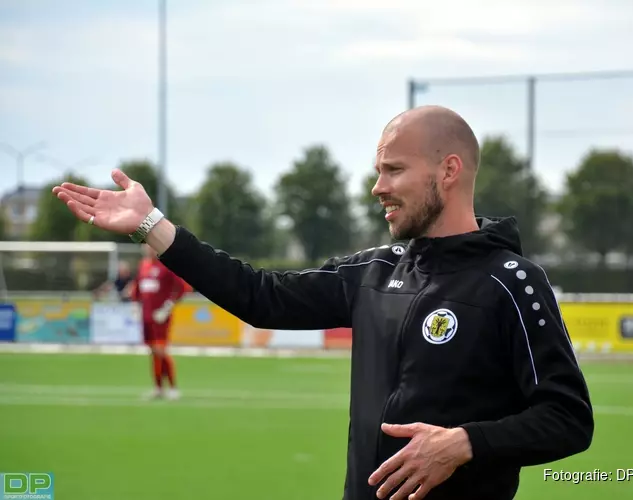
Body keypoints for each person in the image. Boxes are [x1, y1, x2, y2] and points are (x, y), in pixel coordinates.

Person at [52, 105, 594, 499]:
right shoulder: (372, 273)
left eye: (394, 170)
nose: (377, 186)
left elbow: (568, 418)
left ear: (448, 172)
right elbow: (261, 297)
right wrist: (154, 227)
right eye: (378, 169)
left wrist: (465, 444)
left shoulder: (510, 281)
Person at [131, 243, 190, 400]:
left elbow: (183, 287)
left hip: (160, 317)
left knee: (160, 350)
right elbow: (137, 287)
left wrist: (167, 307)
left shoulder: (166, 265)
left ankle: (172, 387)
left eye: (150, 246)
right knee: (152, 351)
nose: (147, 249)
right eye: (145, 247)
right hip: (146, 316)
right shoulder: (143, 265)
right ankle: (158, 388)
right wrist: (136, 305)